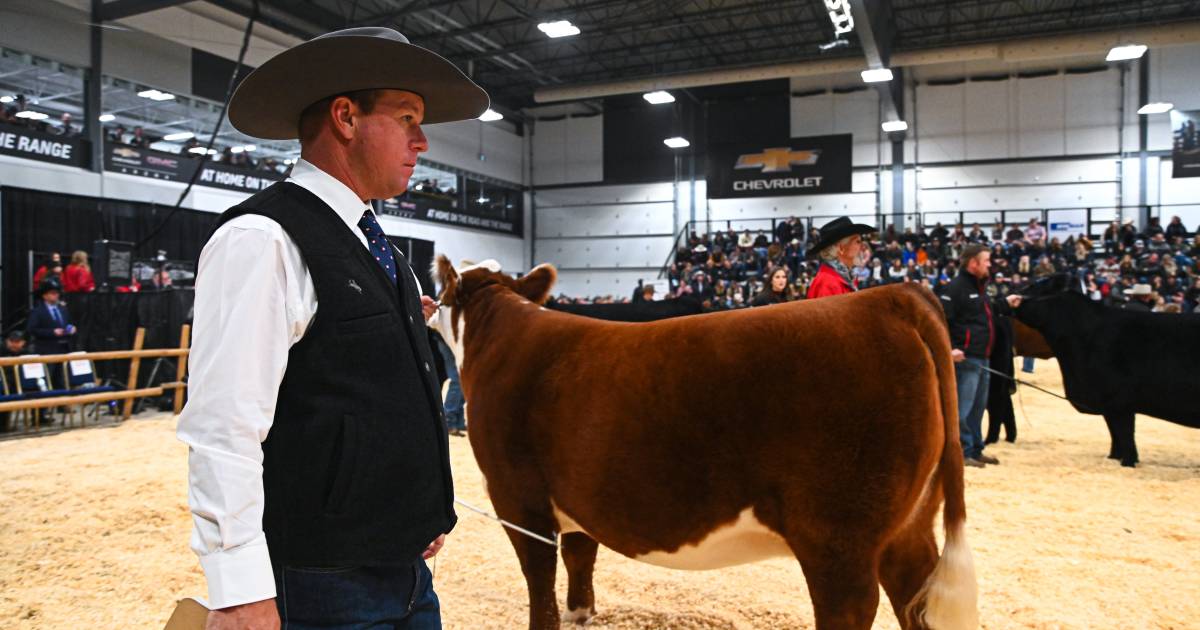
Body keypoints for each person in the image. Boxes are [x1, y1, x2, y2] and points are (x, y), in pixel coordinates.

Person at [177, 27, 489, 630]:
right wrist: (239, 589)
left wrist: (413, 512)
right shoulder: (262, 239)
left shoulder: (382, 251)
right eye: (406, 118)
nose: (422, 141)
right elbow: (225, 429)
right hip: (320, 581)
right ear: (346, 117)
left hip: (402, 568)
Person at [938, 243, 1022, 468]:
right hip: (965, 358)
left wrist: (1005, 303)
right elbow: (941, 322)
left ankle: (975, 448)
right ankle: (962, 452)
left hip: (983, 357)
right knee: (963, 409)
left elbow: (982, 314)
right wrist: (949, 348)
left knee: (977, 408)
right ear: (973, 263)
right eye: (986, 261)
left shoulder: (980, 287)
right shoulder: (955, 289)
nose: (989, 265)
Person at [806, 216, 874, 299]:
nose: (862, 247)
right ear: (841, 248)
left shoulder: (845, 278)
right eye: (858, 242)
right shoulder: (828, 284)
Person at [26, 281, 77, 391]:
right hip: (47, 349)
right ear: (45, 295)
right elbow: (31, 329)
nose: (55, 295)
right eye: (52, 293)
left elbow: (69, 323)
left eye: (56, 293)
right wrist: (52, 332)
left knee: (62, 379)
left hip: (63, 348)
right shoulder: (37, 311)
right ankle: (45, 407)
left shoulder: (63, 309)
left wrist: (71, 329)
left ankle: (62, 405)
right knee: (48, 378)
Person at [0, 331, 30, 432]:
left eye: (17, 341)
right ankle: (3, 425)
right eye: (12, 341)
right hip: (5, 383)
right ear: (7, 341)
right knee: (5, 389)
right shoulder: (1, 351)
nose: (14, 344)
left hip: (17, 383)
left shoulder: (27, 354)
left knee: (35, 388)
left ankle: (40, 418)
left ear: (23, 342)